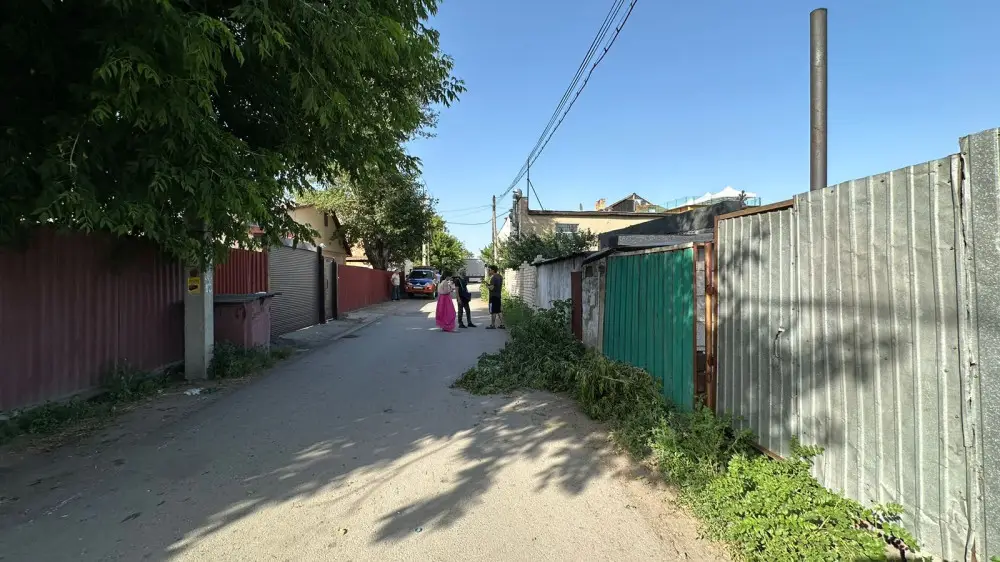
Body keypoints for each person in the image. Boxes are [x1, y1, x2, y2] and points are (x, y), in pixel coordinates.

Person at [486, 265, 504, 330]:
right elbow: (496, 286)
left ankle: (492, 325)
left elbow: (492, 288)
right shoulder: (500, 276)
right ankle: (502, 324)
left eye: (490, 270)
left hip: (493, 296)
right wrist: (489, 285)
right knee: (498, 311)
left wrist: (487, 286)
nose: (489, 271)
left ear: (493, 270)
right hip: (498, 295)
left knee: (493, 311)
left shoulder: (493, 278)